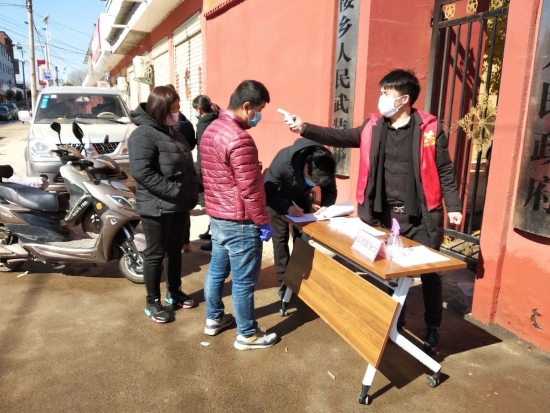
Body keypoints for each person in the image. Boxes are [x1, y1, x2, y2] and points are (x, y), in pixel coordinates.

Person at [284, 69, 463, 354]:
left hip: (420, 216)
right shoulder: (374, 126)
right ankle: (396, 320)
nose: (381, 98)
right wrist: (305, 128)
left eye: (386, 94)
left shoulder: (429, 129)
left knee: (430, 273)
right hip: (384, 214)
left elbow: (444, 169)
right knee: (388, 267)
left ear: (404, 99)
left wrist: (453, 206)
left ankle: (432, 327)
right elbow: (341, 136)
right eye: (381, 93)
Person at [200, 80, 277, 350]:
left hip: (218, 218)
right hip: (240, 222)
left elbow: (219, 174)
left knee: (216, 271)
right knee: (244, 282)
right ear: (246, 106)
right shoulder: (240, 138)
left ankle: (213, 319)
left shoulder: (211, 129)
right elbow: (251, 190)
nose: (259, 116)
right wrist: (262, 221)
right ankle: (247, 334)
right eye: (259, 110)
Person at [128, 86, 200, 323]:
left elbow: (186, 167)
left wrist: (194, 190)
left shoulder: (174, 132)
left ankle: (174, 292)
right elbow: (143, 172)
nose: (177, 113)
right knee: (155, 254)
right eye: (173, 109)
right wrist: (173, 191)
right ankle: (152, 302)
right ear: (161, 109)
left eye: (178, 108)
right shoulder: (143, 134)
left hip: (177, 205)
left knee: (174, 251)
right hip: (156, 207)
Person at [264, 139, 337, 299]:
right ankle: (284, 280)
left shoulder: (325, 163)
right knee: (280, 238)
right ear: (305, 166)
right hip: (278, 197)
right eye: (312, 180)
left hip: (302, 197)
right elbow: (268, 190)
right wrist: (286, 207)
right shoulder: (284, 161)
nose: (314, 183)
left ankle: (299, 272)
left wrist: (326, 205)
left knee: (302, 237)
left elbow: (330, 189)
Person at [166, 84, 197, 252]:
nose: (175, 111)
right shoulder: (147, 132)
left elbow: (190, 143)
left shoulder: (181, 124)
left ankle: (184, 243)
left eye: (177, 107)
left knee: (182, 214)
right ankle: (185, 242)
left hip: (180, 179)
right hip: (171, 185)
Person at [192, 95, 220, 252]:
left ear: (198, 109)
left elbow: (202, 151)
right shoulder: (216, 118)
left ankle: (215, 238)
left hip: (208, 169)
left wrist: (198, 171)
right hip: (216, 168)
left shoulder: (204, 124)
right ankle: (212, 232)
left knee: (212, 206)